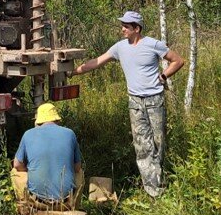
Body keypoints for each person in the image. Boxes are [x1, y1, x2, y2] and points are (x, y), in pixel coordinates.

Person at [73, 11, 183, 198]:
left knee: (158, 143)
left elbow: (178, 60)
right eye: (122, 25)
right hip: (135, 102)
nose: (122, 29)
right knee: (142, 146)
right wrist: (74, 72)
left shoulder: (153, 44)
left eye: (126, 26)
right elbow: (97, 61)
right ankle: (154, 190)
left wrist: (164, 75)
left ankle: (158, 178)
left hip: (154, 100)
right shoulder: (119, 47)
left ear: (137, 29)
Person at [11, 101, 83, 212]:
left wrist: (28, 171)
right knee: (80, 174)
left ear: (38, 121)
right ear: (57, 120)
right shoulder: (70, 133)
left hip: (37, 202)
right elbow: (77, 167)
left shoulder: (28, 134)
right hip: (65, 203)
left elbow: (17, 164)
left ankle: (25, 208)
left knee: (15, 173)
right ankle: (74, 209)